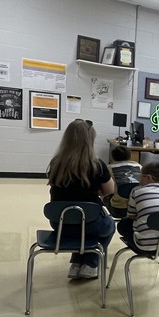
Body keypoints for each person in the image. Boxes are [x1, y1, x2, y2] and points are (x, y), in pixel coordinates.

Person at [47, 118, 115, 280]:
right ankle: (91, 263)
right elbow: (109, 191)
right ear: (90, 140)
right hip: (90, 223)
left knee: (77, 224)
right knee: (109, 226)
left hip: (60, 223)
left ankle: (77, 262)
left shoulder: (55, 163)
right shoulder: (97, 165)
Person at [117, 162, 159, 253]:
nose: (139, 179)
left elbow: (131, 216)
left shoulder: (137, 191)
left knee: (123, 224)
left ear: (149, 178)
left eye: (141, 176)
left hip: (144, 245)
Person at [108, 144, 141, 218]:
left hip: (118, 209)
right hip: (137, 207)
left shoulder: (108, 168)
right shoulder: (139, 166)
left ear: (113, 157)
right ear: (130, 156)